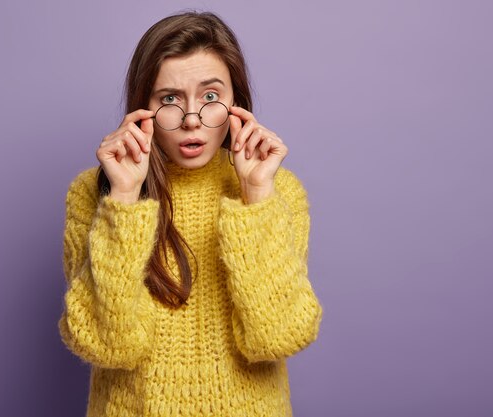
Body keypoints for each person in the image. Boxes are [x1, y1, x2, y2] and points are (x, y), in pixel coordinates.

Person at [58, 11, 323, 417]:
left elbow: (278, 336)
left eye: (211, 97)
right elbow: (106, 344)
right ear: (142, 107)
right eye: (169, 99)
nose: (192, 120)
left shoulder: (278, 192)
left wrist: (256, 196)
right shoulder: (95, 193)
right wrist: (124, 198)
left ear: (237, 103)